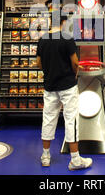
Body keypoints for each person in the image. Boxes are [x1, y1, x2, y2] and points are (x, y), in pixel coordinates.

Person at [36, 14, 93, 170]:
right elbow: (75, 62)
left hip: (49, 86)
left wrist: (50, 71)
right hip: (67, 85)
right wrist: (75, 73)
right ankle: (75, 159)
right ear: (62, 22)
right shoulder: (67, 38)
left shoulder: (42, 40)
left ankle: (45, 156)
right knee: (71, 120)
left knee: (48, 119)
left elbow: (38, 63)